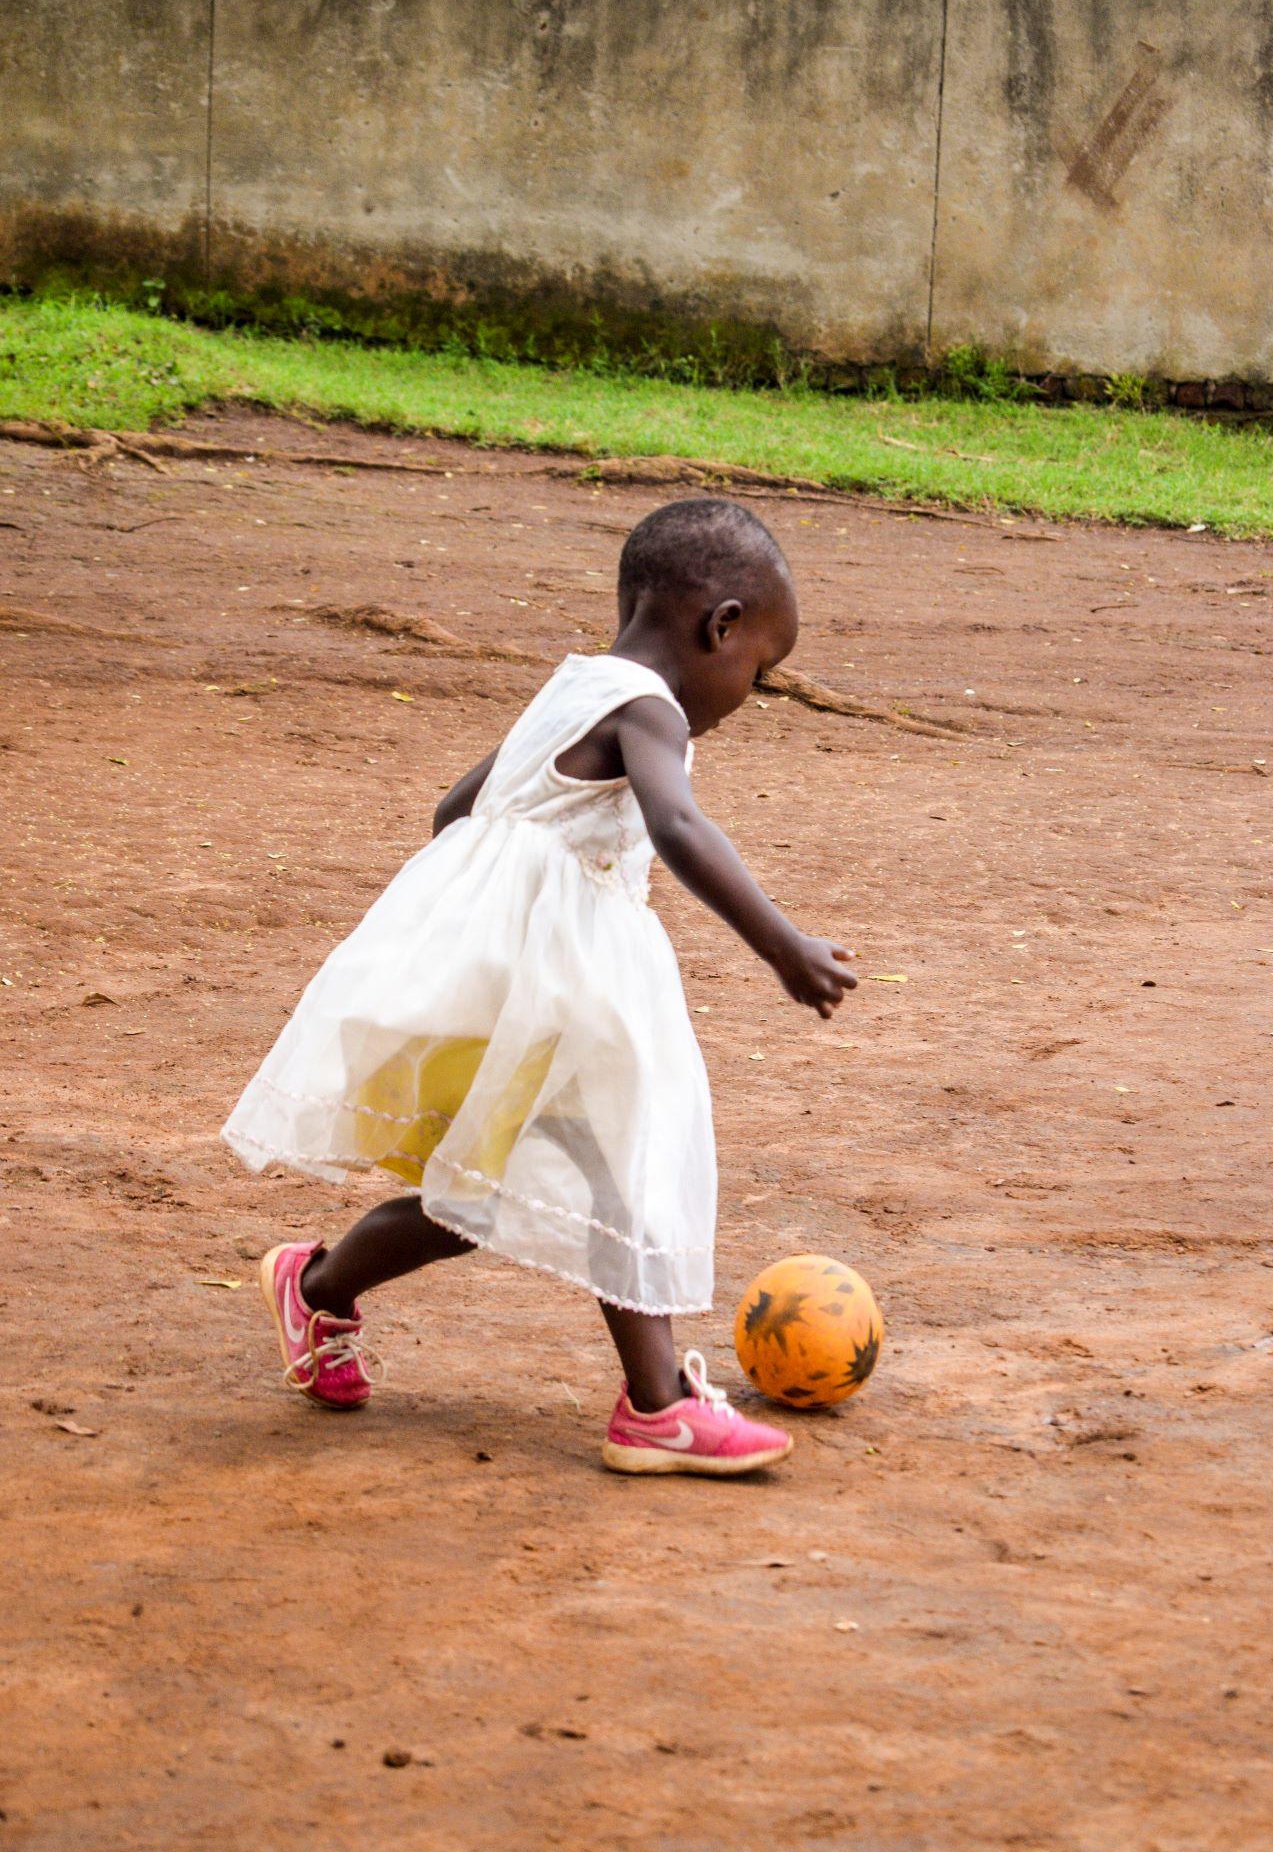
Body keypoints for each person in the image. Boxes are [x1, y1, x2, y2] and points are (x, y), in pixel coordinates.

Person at [222, 497, 858, 1476]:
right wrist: (782, 946)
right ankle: (654, 1406)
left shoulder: (570, 690)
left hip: (512, 982)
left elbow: (453, 811)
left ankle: (315, 1286)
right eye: (759, 671)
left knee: (481, 1198)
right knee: (616, 1164)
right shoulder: (645, 705)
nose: (749, 694)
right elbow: (680, 828)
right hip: (563, 984)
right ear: (718, 624)